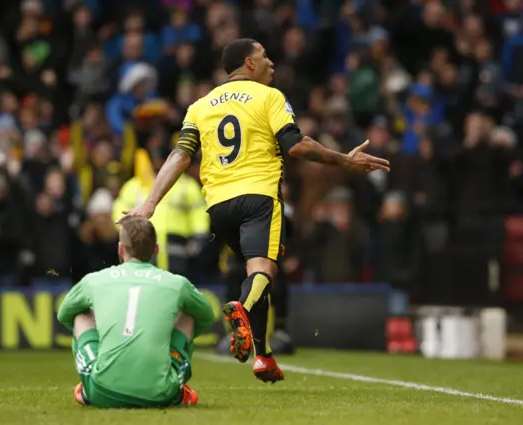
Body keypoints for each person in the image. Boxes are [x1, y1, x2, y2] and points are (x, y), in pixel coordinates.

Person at [118, 38, 390, 383]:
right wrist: (344, 161)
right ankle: (241, 310)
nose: (272, 63)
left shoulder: (200, 105)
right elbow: (296, 145)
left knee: (253, 276)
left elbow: (181, 155)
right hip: (259, 197)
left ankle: (263, 357)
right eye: (265, 56)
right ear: (249, 63)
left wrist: (150, 202)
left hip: (218, 206)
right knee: (264, 272)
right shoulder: (270, 97)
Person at [57, 216, 215, 408]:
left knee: (80, 315)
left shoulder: (94, 280)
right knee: (189, 315)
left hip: (103, 392)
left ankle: (89, 385)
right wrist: (168, 335)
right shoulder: (177, 283)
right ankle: (176, 386)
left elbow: (64, 314)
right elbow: (207, 316)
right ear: (156, 250)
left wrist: (102, 330)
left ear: (120, 249)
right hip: (161, 394)